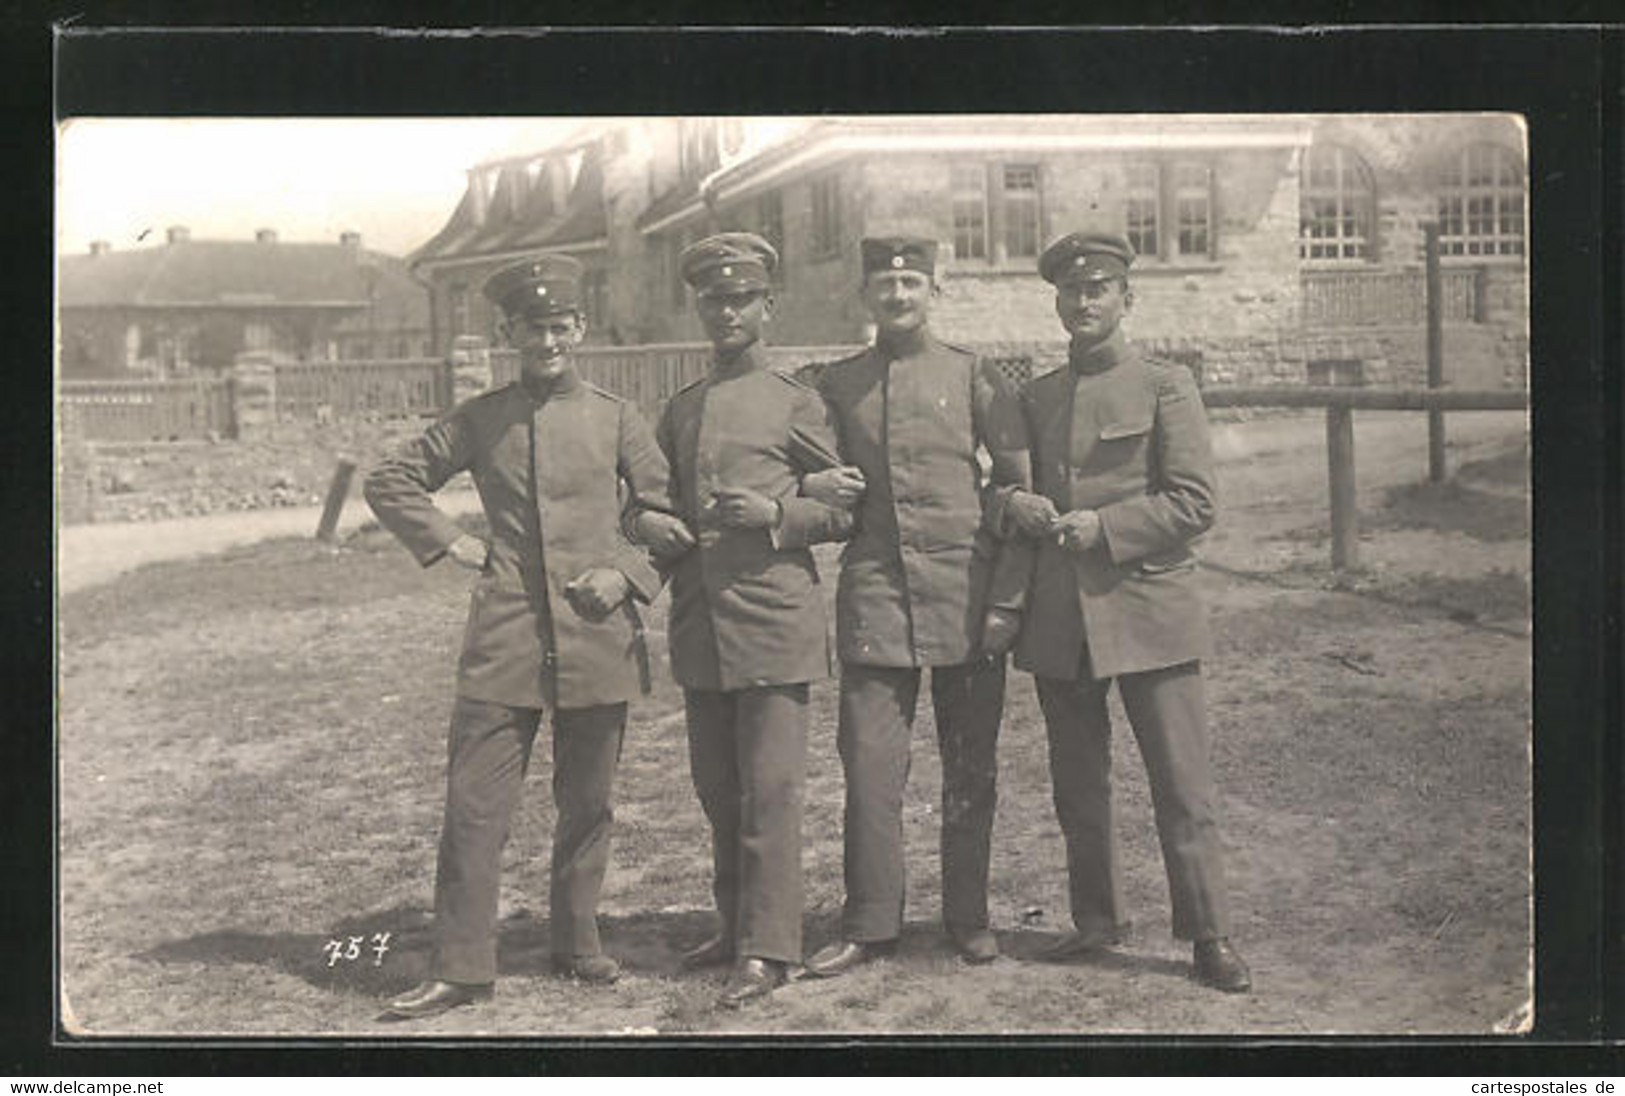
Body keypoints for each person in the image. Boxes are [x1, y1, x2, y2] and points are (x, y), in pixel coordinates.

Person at [363, 253, 673, 1019]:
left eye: (559, 324)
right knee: (474, 805)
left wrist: (627, 574)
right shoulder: (481, 417)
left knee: (588, 801)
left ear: (580, 327)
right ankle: (462, 965)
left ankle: (576, 939)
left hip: (598, 633)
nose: (547, 339)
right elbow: (390, 478)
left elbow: (665, 520)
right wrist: (452, 542)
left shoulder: (618, 417)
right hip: (504, 635)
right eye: (531, 327)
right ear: (510, 332)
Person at [1005, 230, 1251, 994]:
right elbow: (1008, 488)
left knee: (1179, 781)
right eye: (1070, 292)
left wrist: (1105, 528)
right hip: (1062, 619)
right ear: (1055, 301)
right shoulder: (1036, 397)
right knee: (1077, 779)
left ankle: (1207, 933)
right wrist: (1013, 500)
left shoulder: (1164, 384)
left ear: (1124, 298)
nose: (1083, 303)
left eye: (1097, 289)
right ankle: (1095, 918)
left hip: (1148, 608)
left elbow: (1194, 501)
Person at [796, 235, 1038, 975]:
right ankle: (870, 921)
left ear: (935, 288)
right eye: (883, 283)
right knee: (870, 767)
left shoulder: (975, 377)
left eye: (910, 281)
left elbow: (1016, 497)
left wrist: (1006, 601)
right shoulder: (835, 384)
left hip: (965, 596)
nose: (897, 295)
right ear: (864, 294)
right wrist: (806, 489)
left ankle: (967, 916)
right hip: (875, 596)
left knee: (970, 767)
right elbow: (805, 465)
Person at [631, 232, 854, 1008]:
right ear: (699, 306)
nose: (726, 312)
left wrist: (775, 512)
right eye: (713, 299)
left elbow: (844, 510)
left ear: (768, 305)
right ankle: (733, 928)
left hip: (773, 621)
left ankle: (769, 947)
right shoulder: (682, 408)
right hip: (702, 628)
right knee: (716, 791)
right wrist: (643, 526)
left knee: (769, 792)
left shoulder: (797, 401)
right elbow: (650, 506)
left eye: (741, 299)